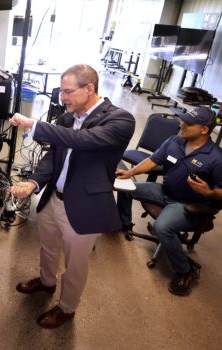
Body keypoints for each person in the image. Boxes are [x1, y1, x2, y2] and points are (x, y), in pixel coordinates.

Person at [9, 64, 135, 328]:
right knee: (48, 248)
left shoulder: (120, 120)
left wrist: (34, 125)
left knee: (76, 264)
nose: (62, 98)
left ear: (90, 88)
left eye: (67, 92)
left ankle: (67, 308)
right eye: (61, 92)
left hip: (83, 206)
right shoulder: (67, 117)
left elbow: (83, 140)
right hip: (53, 198)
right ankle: (46, 283)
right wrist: (33, 182)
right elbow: (53, 155)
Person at [116, 106, 222, 296]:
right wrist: (130, 172)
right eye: (183, 120)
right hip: (165, 191)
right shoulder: (175, 140)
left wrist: (209, 192)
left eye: (189, 123)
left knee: (162, 227)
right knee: (124, 186)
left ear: (204, 129)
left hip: (187, 204)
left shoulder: (218, 159)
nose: (182, 124)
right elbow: (153, 161)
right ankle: (123, 223)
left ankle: (186, 271)